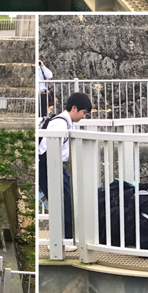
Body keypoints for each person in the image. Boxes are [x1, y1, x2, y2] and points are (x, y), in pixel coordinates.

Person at [38, 92, 92, 243]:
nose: (83, 116)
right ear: (74, 108)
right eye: (83, 112)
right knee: (63, 202)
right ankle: (61, 240)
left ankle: (65, 238)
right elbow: (49, 149)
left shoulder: (65, 122)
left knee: (64, 201)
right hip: (49, 166)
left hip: (52, 165)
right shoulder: (61, 123)